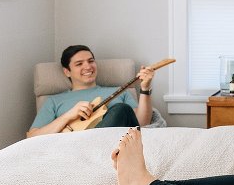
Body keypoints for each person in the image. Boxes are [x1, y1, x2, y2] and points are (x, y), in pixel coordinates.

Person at [27, 45, 155, 137]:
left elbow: (142, 123)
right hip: (74, 146)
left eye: (91, 61)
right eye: (79, 64)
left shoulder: (121, 91)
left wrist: (145, 88)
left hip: (116, 145)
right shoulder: (54, 101)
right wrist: (69, 115)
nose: (88, 66)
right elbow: (32, 137)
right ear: (67, 71)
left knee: (122, 109)